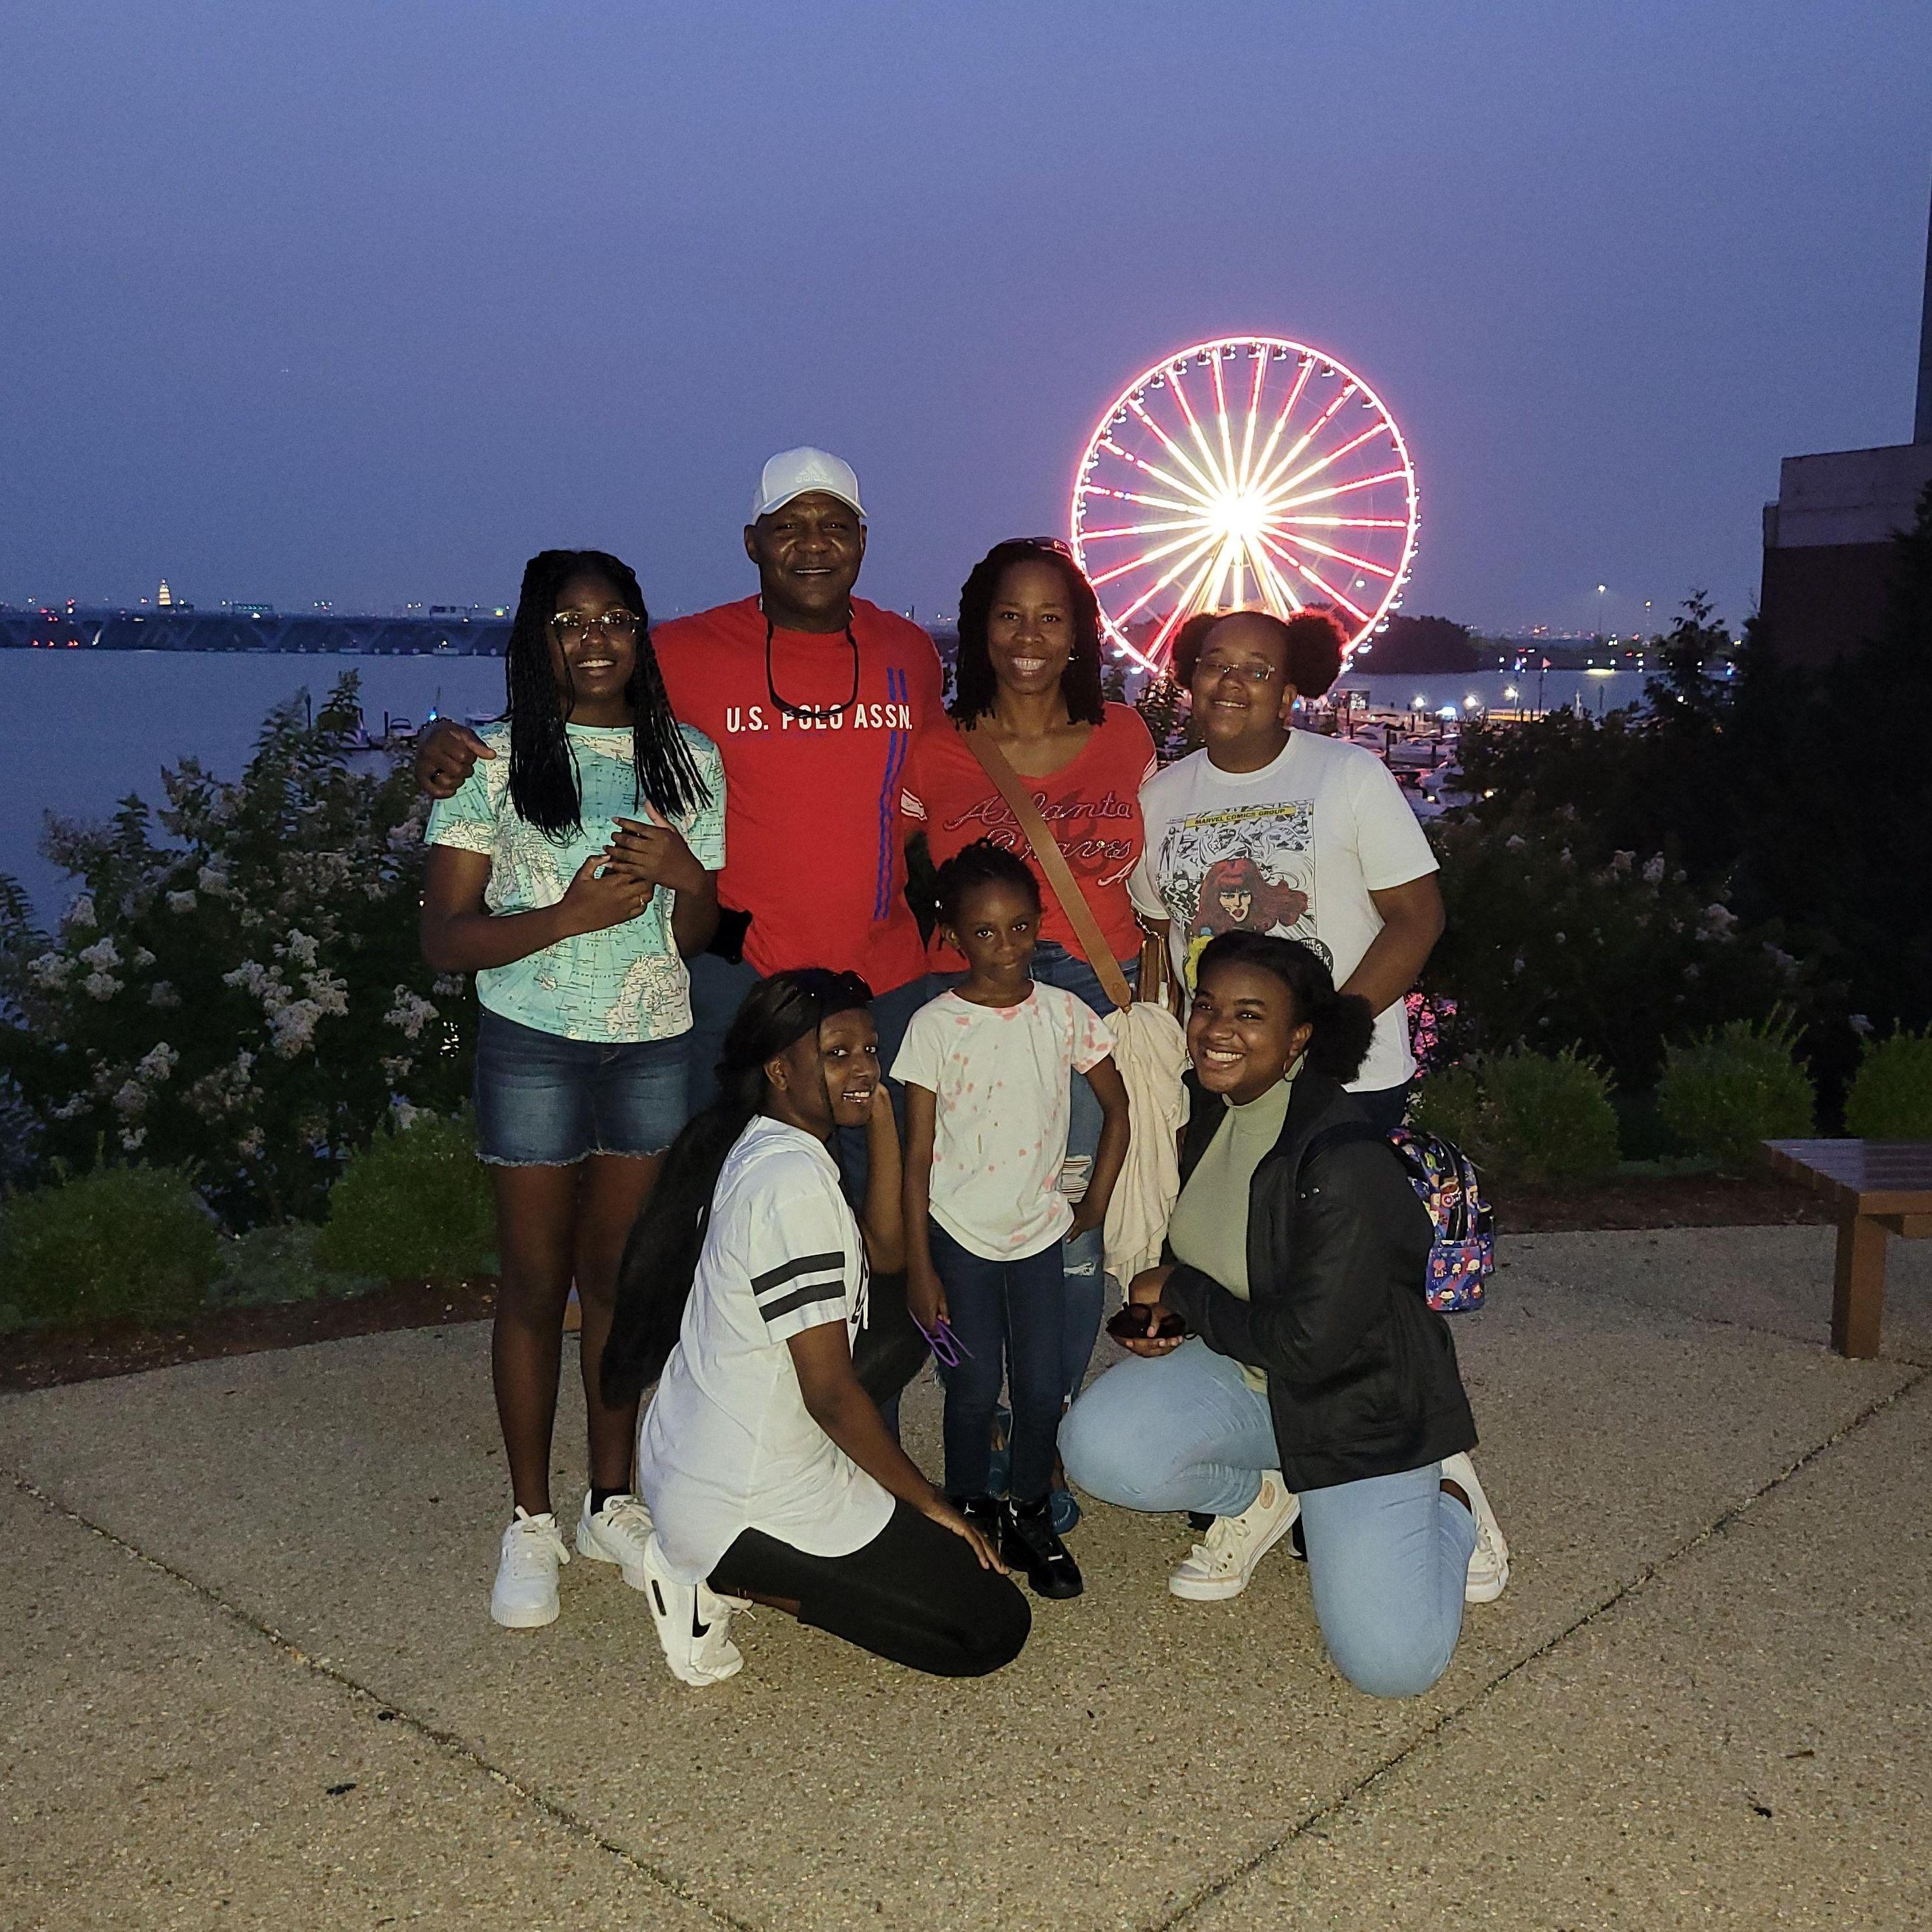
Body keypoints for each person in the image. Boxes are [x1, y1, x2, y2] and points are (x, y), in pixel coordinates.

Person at [412, 449, 946, 1148]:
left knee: (880, 1176)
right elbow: (578, 712)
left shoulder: (910, 652)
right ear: (752, 542)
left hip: (883, 975)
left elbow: (935, 784)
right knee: (719, 1179)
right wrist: (443, 743)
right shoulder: (683, 650)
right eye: (788, 526)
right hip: (737, 975)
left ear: (863, 541)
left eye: (835, 526)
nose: (813, 544)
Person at [1059, 932, 1507, 1699]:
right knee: (1100, 1449)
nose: (1216, 1029)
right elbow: (1223, 1242)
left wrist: (1182, 1291)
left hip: (1355, 1404)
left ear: (1299, 1036)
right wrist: (1176, 1315)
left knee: (1389, 1667)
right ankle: (1263, 1495)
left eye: (1248, 1014)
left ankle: (1451, 1500)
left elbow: (1308, 1346)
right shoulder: (1214, 1103)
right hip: (1250, 1373)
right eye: (1206, 1006)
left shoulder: (1341, 1160)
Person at [419, 548, 725, 1630]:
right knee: (534, 1283)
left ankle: (610, 1501)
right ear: (536, 639)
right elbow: (444, 938)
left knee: (618, 1281)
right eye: (568, 621)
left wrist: (689, 880)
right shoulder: (489, 762)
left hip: (651, 1047)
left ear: (641, 632)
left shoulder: (690, 758)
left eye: (615, 618)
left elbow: (695, 937)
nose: (595, 638)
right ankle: (529, 1520)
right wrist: (567, 919)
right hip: (533, 1045)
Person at [601, 970, 1030, 1684]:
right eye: (837, 1055)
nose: (864, 1068)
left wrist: (880, 1115)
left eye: (871, 1050)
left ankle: (730, 1548)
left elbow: (885, 1255)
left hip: (698, 1452)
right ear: (780, 1070)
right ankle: (709, 1580)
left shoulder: (771, 1141)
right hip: (742, 1500)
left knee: (902, 1318)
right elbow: (829, 1394)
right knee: (989, 1627)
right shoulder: (791, 1188)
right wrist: (930, 1505)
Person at [898, 539, 1157, 1466]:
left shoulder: (1127, 737)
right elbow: (886, 868)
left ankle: (1048, 1425)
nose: (1028, 636)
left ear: (1080, 633)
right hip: (967, 997)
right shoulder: (936, 748)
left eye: (1051, 617)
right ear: (979, 628)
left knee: (1072, 1229)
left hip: (1091, 989)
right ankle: (974, 1406)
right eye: (1008, 615)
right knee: (958, 1211)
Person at [894, 842, 1130, 1600]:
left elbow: (1118, 1109)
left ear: (1038, 923)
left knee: (1039, 1386)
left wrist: (1093, 1205)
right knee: (970, 1389)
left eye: (1021, 927)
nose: (1007, 946)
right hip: (958, 1238)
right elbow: (916, 1154)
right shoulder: (935, 1025)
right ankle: (968, 1510)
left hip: (1038, 1237)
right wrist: (920, 1266)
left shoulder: (1065, 1014)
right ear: (953, 936)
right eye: (985, 932)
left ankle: (1028, 1509)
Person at [1130, 608, 1445, 1135]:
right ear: (1191, 678)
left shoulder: (1350, 775)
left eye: (1256, 671)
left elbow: (1418, 918)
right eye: (1215, 665)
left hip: (1346, 1084)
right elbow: (1163, 935)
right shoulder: (1156, 800)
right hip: (1222, 1080)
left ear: (1286, 697)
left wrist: (1333, 1032)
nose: (1231, 681)